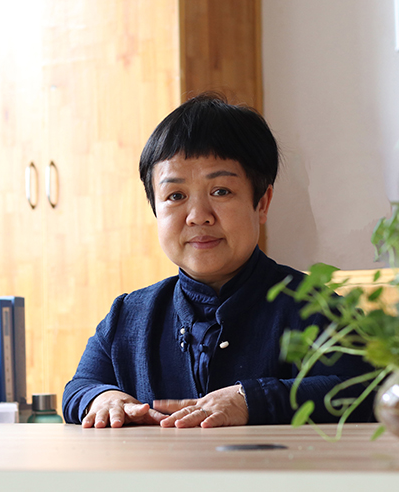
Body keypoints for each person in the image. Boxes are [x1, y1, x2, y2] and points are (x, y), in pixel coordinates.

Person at [62, 93, 374, 428]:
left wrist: (252, 400)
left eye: (221, 191)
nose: (198, 216)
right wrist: (104, 399)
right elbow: (79, 388)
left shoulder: (316, 308)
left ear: (262, 203)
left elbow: (368, 390)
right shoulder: (128, 316)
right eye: (175, 196)